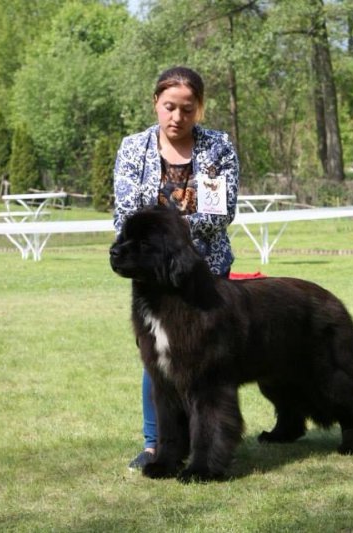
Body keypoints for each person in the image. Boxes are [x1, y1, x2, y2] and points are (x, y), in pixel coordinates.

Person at [112, 66, 240, 470]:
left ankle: (208, 445)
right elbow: (128, 215)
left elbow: (221, 212)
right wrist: (168, 235)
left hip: (207, 273)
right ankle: (158, 445)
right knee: (157, 357)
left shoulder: (218, 147)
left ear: (198, 108)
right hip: (151, 274)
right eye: (169, 107)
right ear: (156, 103)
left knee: (207, 363)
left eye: (187, 109)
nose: (177, 117)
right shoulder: (134, 148)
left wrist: (170, 230)